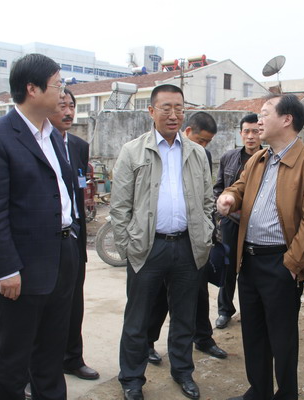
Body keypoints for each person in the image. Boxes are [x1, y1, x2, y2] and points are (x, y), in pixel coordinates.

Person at [0, 53, 79, 400]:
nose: (63, 93)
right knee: (14, 355)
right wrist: (6, 269)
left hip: (62, 255)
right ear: (32, 89)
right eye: (57, 84)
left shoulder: (52, 135)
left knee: (51, 350)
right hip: (22, 268)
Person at [217, 94, 304, 400]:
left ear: (287, 119)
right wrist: (229, 197)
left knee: (282, 339)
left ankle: (287, 394)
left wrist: (290, 266)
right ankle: (259, 391)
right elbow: (240, 187)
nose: (259, 121)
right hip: (249, 260)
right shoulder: (259, 159)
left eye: (265, 114)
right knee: (253, 333)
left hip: (280, 263)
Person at [111, 84, 214, 400]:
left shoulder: (196, 153)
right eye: (166, 107)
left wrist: (205, 233)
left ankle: (182, 372)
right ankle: (131, 378)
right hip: (147, 248)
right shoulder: (132, 151)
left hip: (187, 246)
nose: (173, 114)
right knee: (137, 319)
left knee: (184, 317)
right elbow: (119, 206)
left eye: (179, 108)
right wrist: (129, 246)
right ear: (151, 111)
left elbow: (207, 200)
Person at [147, 111, 227, 365]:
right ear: (188, 131)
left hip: (194, 240)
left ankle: (202, 338)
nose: (204, 146)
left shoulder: (202, 155)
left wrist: (207, 231)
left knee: (199, 293)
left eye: (208, 142)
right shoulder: (159, 151)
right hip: (162, 239)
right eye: (201, 140)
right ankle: (148, 342)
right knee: (160, 296)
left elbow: (206, 196)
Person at [48, 88, 100, 379]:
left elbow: (80, 185)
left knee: (73, 302)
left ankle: (72, 358)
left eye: (71, 106)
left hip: (75, 235)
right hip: (47, 238)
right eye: (61, 105)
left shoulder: (79, 145)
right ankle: (35, 369)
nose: (68, 112)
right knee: (43, 308)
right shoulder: (38, 143)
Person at [213, 113, 262, 329]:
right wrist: (220, 213)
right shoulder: (229, 157)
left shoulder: (269, 158)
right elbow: (218, 188)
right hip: (231, 222)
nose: (251, 136)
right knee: (228, 267)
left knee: (253, 269)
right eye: (246, 131)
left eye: (255, 131)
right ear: (240, 133)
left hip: (257, 223)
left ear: (262, 133)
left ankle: (252, 311)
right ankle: (225, 310)